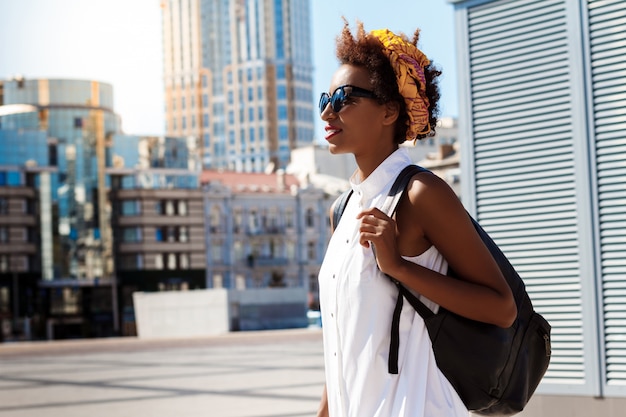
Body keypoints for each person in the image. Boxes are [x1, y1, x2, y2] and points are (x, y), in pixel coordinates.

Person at [315, 21, 517, 417]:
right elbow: (341, 342)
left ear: (390, 111)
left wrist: (398, 267)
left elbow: (501, 308)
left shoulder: (421, 193)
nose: (327, 110)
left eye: (344, 97)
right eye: (326, 97)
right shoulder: (341, 211)